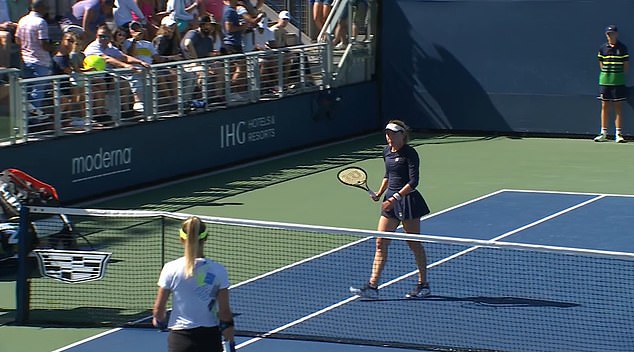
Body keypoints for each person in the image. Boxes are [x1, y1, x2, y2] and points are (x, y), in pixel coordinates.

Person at [349, 120, 431, 299]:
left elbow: (413, 182)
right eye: (387, 134)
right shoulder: (386, 152)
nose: (389, 137)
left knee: (413, 243)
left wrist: (394, 198)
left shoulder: (410, 153)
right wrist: (380, 193)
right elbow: (389, 175)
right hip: (390, 203)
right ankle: (372, 286)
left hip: (407, 201)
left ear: (402, 134)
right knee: (380, 243)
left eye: (393, 134)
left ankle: (423, 284)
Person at [153, 216, 235, 352]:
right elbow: (224, 313)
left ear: (181, 239)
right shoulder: (219, 270)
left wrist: (159, 321)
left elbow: (158, 309)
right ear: (206, 238)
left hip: (180, 341)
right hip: (210, 339)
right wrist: (230, 342)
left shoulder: (170, 268)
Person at [15, 0, 54, 119]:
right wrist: (54, 48)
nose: (47, 9)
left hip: (25, 60)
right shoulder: (41, 22)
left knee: (26, 91)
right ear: (41, 7)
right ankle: (34, 121)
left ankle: (25, 122)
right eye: (46, 7)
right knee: (38, 92)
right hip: (40, 61)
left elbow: (17, 39)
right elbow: (43, 44)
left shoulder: (23, 20)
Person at [595, 24, 628, 143]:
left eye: (612, 34)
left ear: (616, 34)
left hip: (618, 82)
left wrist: (617, 76)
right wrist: (607, 75)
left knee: (618, 107)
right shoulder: (602, 48)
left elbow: (625, 66)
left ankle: (618, 134)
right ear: (606, 35)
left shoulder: (622, 48)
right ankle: (603, 133)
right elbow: (601, 64)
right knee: (605, 106)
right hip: (605, 82)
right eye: (608, 34)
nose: (610, 36)